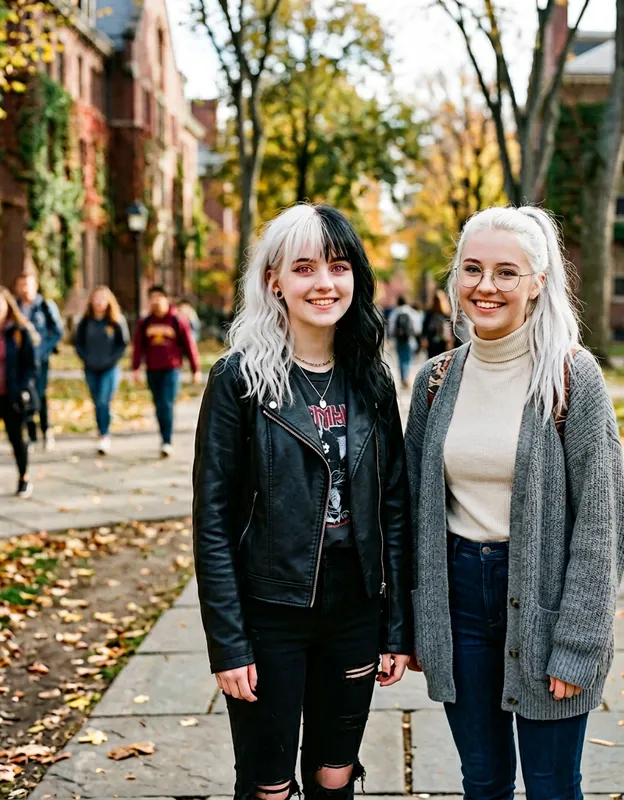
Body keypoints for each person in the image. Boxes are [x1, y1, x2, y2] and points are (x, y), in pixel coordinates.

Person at [405, 206, 624, 799]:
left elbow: (602, 529)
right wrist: (412, 626)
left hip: (545, 604)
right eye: (472, 269)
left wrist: (578, 644)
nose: (486, 286)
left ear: (538, 283)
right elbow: (408, 514)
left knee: (553, 787)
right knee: (482, 783)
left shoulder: (570, 378)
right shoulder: (435, 380)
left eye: (507, 272)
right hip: (457, 603)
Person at [193, 203, 412, 800]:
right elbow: (212, 521)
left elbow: (394, 507)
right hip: (271, 614)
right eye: (305, 267)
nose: (324, 283)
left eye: (338, 266)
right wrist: (229, 642)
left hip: (356, 611)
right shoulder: (238, 380)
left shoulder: (371, 376)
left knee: (334, 775)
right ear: (275, 282)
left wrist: (398, 627)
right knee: (270, 786)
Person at [132, 286, 201, 457]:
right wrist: (135, 368)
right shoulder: (145, 322)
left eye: (159, 297)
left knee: (167, 403)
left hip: (172, 370)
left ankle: (167, 440)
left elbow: (189, 345)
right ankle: (163, 435)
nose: (156, 301)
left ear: (166, 299)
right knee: (158, 404)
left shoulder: (177, 320)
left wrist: (195, 369)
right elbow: (138, 347)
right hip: (152, 369)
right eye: (152, 298)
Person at [74, 286, 129, 455]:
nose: (99, 302)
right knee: (97, 402)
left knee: (104, 400)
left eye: (102, 299)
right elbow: (78, 343)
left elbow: (123, 344)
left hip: (110, 368)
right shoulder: (85, 321)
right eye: (96, 299)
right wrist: (86, 358)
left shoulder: (116, 321)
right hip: (91, 368)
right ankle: (101, 429)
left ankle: (105, 435)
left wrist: (110, 361)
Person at [15, 262, 63, 450]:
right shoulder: (16, 307)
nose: (25, 289)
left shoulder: (45, 306)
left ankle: (46, 431)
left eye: (28, 284)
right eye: (22, 285)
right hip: (21, 360)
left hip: (40, 360)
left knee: (40, 395)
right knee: (25, 394)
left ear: (35, 286)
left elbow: (57, 331)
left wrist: (44, 349)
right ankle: (31, 434)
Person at [0, 287, 38, 497]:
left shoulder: (18, 332)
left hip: (11, 396)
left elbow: (31, 366)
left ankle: (24, 477)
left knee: (16, 438)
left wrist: (24, 388)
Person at [389, 295, 420, 388]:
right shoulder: (412, 312)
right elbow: (417, 328)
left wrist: (391, 337)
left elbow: (391, 327)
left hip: (399, 340)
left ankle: (403, 378)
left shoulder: (395, 312)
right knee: (408, 359)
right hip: (410, 339)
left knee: (401, 359)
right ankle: (407, 377)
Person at [421, 290, 453, 359]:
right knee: (432, 359)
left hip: (443, 341)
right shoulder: (430, 313)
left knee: (442, 359)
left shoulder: (446, 314)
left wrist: (450, 341)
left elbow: (450, 327)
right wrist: (424, 338)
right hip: (432, 341)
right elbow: (425, 326)